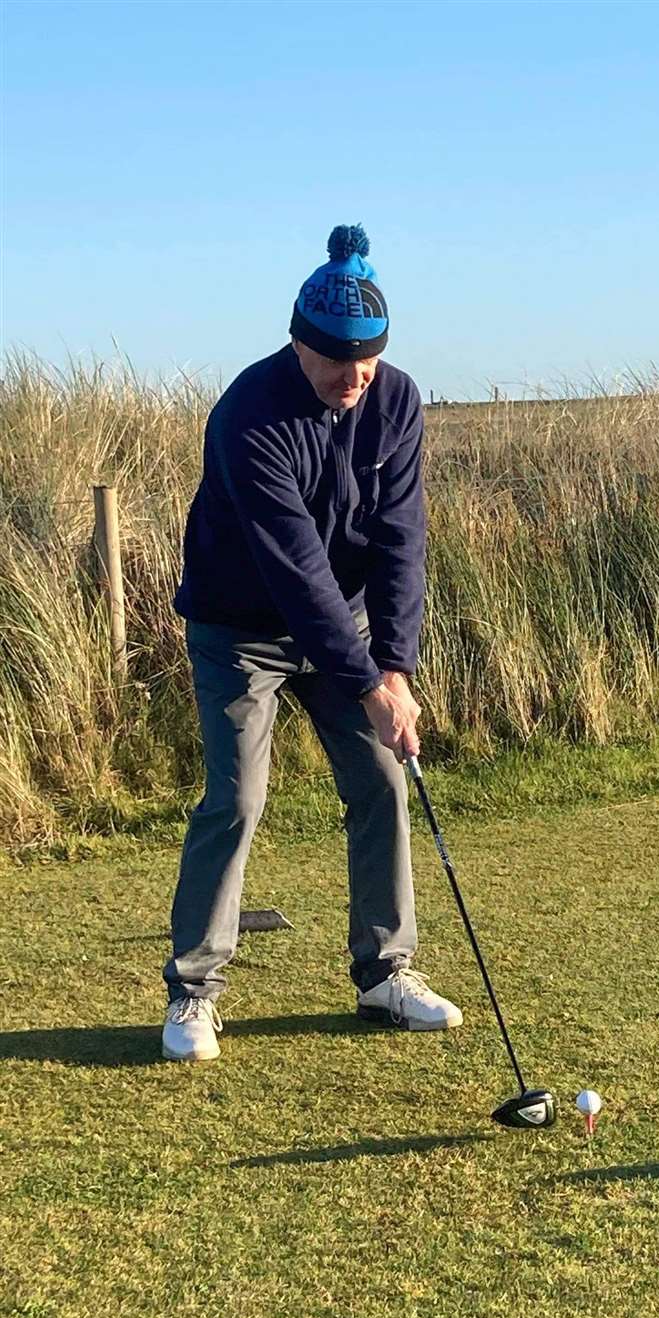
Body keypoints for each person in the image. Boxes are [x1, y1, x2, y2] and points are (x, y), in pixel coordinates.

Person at [161, 223, 463, 1062]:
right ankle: (193, 993)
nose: (353, 377)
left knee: (380, 780)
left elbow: (402, 538)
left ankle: (385, 973)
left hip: (353, 630)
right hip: (240, 631)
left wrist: (394, 668)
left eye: (367, 359)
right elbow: (295, 567)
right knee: (238, 799)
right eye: (336, 359)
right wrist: (368, 682)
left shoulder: (394, 400)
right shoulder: (248, 415)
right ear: (298, 341)